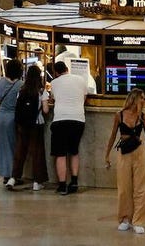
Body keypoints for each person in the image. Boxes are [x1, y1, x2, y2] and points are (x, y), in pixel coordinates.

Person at [104, 87, 145, 234]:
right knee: (124, 187)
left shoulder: (143, 117)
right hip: (124, 153)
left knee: (141, 187)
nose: (144, 100)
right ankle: (125, 218)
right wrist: (107, 155)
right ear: (135, 98)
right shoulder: (119, 115)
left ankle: (138, 220)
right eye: (142, 97)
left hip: (139, 152)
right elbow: (112, 136)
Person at [49, 58, 90, 194]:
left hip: (60, 119)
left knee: (60, 154)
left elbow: (53, 98)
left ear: (56, 73)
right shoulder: (81, 80)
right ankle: (74, 182)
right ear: (67, 69)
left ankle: (62, 185)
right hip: (78, 119)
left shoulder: (54, 83)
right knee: (74, 151)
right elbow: (84, 98)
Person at [8, 63, 49, 191]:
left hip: (22, 125)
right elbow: (46, 110)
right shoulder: (41, 91)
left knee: (20, 151)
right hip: (36, 124)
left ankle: (13, 178)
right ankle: (37, 182)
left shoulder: (21, 90)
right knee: (37, 153)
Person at [0, 58, 24, 182]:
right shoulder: (20, 85)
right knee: (13, 146)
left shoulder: (0, 82)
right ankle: (13, 175)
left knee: (2, 146)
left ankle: (5, 174)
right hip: (12, 117)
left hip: (0, 117)